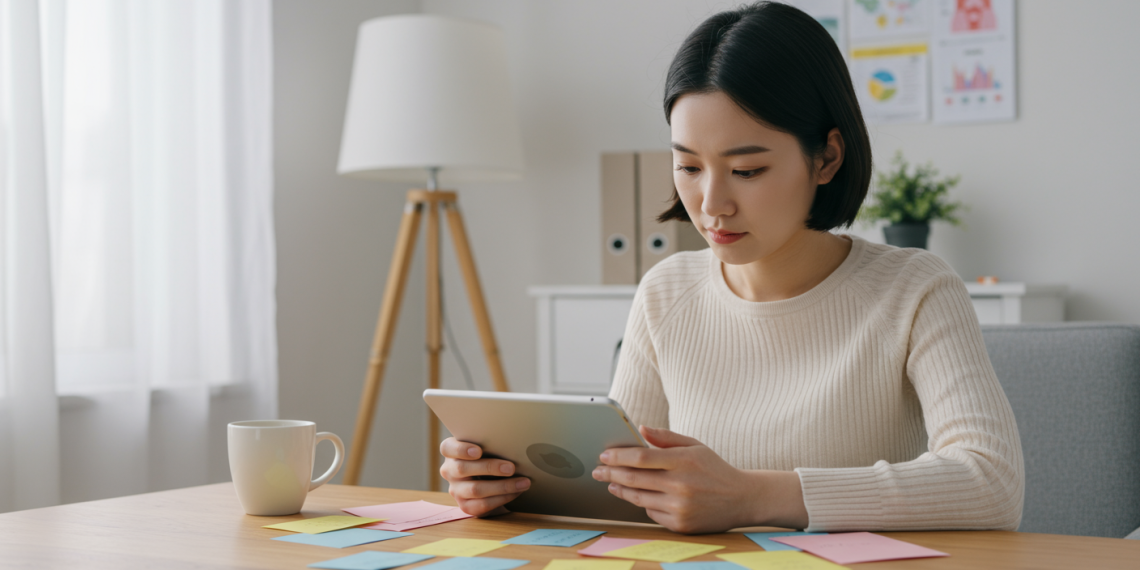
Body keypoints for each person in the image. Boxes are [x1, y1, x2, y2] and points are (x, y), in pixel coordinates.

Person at [438, 1, 1024, 534]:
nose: (712, 204)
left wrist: (750, 496)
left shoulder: (916, 290)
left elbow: (991, 484)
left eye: (746, 171)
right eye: (689, 167)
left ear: (827, 157)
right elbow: (622, 486)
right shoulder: (666, 292)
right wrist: (509, 489)